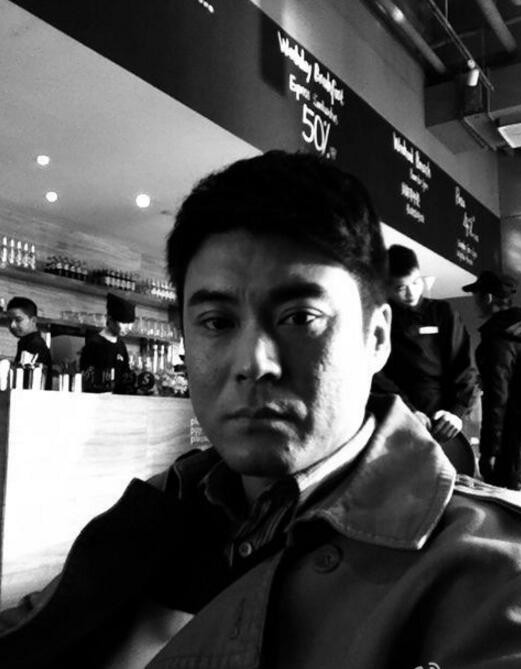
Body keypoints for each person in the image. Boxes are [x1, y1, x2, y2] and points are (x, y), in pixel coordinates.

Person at [2, 151, 521, 668]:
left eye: (300, 317)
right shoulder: (164, 504)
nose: (253, 362)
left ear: (377, 337)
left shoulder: (487, 570)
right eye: (216, 322)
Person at [373, 244, 478, 444]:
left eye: (415, 282)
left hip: (444, 420)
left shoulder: (443, 312)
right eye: (400, 288)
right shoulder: (379, 319)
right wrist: (408, 411)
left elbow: (464, 366)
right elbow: (376, 374)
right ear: (386, 287)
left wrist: (456, 411)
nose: (411, 292)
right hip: (396, 418)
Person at [462, 270, 521, 490]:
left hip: (511, 445)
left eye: (475, 297)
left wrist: (490, 452)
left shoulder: (497, 340)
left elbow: (497, 398)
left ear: (487, 298)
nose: (474, 303)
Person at [80, 292, 135, 393]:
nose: (129, 328)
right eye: (124, 323)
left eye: (131, 324)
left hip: (119, 401)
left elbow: (125, 377)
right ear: (110, 319)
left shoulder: (121, 346)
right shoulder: (93, 344)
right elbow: (86, 379)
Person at [6, 296, 52, 389]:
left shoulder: (36, 345)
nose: (12, 325)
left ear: (33, 320)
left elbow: (30, 385)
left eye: (18, 320)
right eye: (9, 320)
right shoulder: (26, 342)